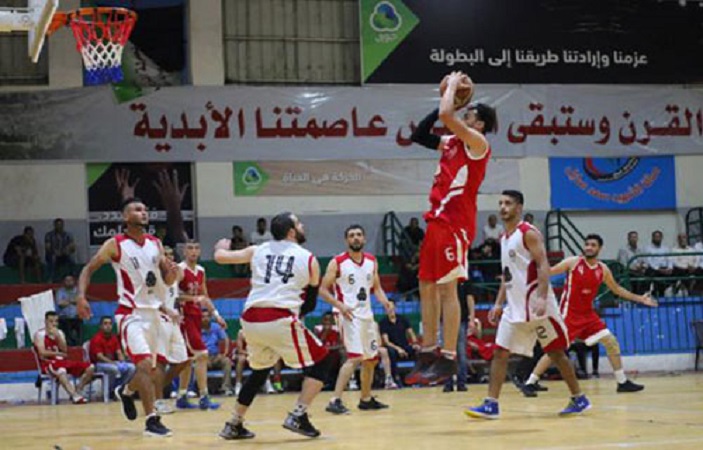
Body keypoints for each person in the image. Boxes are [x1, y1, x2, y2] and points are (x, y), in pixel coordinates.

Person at [466, 190, 591, 419]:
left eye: (508, 203)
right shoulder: (504, 238)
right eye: (500, 203)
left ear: (519, 207)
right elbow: (507, 274)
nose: (503, 207)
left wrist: (542, 297)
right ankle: (491, 404)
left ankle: (579, 397)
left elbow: (543, 265)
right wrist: (498, 303)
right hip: (513, 307)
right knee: (500, 352)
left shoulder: (529, 233)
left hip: (536, 305)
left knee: (556, 353)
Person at [408, 71, 497, 385]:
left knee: (447, 289)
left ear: (480, 124)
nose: (464, 115)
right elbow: (419, 135)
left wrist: (449, 92)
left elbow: (447, 115)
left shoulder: (478, 144)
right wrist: (444, 104)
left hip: (456, 224)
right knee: (426, 286)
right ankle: (427, 352)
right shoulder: (451, 142)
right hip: (436, 220)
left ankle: (448, 357)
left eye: (469, 114)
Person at [213, 212, 335, 440]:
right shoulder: (308, 258)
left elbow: (220, 257)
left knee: (260, 371)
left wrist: (221, 246)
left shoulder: (258, 249)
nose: (302, 226)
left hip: (250, 319)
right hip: (280, 317)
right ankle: (298, 415)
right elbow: (310, 302)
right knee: (323, 361)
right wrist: (294, 320)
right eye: (299, 223)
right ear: (291, 231)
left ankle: (234, 423)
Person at [77, 197, 180, 437]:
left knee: (150, 369)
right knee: (143, 365)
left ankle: (126, 390)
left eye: (145, 209)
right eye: (137, 209)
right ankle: (152, 420)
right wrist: (81, 297)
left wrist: (172, 274)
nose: (144, 213)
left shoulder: (155, 243)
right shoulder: (115, 244)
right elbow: (88, 269)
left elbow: (166, 280)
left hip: (154, 313)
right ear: (125, 217)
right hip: (130, 314)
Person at [521, 234, 658, 396]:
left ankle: (622, 382)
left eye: (593, 245)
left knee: (611, 342)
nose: (588, 248)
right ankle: (530, 382)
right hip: (569, 315)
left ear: (599, 248)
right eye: (587, 244)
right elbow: (548, 272)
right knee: (555, 349)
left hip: (588, 316)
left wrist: (640, 299)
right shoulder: (573, 262)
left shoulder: (603, 269)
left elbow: (617, 289)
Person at [320, 224, 396, 415]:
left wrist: (386, 303)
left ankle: (366, 399)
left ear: (364, 238)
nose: (356, 238)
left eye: (359, 235)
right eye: (352, 235)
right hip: (347, 314)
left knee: (371, 360)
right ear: (346, 240)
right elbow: (322, 289)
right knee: (354, 357)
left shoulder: (371, 261)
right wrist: (339, 305)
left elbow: (376, 287)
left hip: (366, 315)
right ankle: (335, 400)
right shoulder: (337, 262)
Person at [175, 240, 226, 410]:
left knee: (188, 358)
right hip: (184, 317)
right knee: (202, 354)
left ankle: (182, 396)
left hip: (196, 316)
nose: (194, 251)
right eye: (190, 248)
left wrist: (216, 315)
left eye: (196, 248)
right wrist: (194, 299)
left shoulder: (201, 271)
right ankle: (204, 396)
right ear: (184, 251)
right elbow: (173, 296)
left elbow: (205, 296)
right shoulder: (179, 270)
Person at [153, 245, 190, 415]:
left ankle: (152, 389)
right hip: (159, 319)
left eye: (171, 255)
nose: (169, 258)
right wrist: (167, 310)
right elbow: (149, 300)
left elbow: (175, 295)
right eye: (165, 255)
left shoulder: (175, 273)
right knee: (161, 362)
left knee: (183, 361)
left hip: (173, 321)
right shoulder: (154, 275)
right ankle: (158, 401)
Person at [33, 311, 94, 404]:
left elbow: (64, 350)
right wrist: (58, 353)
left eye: (56, 321)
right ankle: (75, 396)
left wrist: (58, 337)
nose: (54, 324)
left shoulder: (60, 333)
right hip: (48, 363)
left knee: (90, 367)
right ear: (45, 322)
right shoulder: (39, 334)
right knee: (61, 370)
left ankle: (78, 389)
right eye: (51, 321)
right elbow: (42, 353)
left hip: (62, 361)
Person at [89, 316, 136, 394]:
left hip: (113, 363)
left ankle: (118, 389)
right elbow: (100, 357)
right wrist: (113, 363)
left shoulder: (114, 338)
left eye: (110, 324)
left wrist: (122, 361)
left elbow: (119, 352)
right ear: (100, 326)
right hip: (98, 364)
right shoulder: (96, 339)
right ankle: (109, 390)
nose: (108, 326)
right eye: (105, 324)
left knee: (131, 368)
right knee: (114, 369)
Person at [444, 280, 476, 392]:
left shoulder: (465, 281)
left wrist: (472, 318)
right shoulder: (445, 279)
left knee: (461, 352)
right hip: (445, 320)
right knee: (447, 352)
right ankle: (448, 382)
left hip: (461, 319)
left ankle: (461, 382)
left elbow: (470, 299)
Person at [379, 311, 420, 385]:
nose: (390, 310)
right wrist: (398, 349)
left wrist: (415, 343)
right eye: (388, 308)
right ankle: (395, 377)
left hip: (404, 345)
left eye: (392, 308)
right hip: (393, 347)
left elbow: (411, 333)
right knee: (391, 352)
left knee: (418, 350)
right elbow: (386, 342)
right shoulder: (383, 322)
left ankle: (418, 375)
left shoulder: (403, 319)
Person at [201, 308, 234, 395]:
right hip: (203, 357)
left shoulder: (216, 327)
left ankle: (226, 388)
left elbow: (226, 339)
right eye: (203, 317)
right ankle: (203, 390)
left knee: (227, 361)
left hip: (215, 356)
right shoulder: (197, 328)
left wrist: (224, 353)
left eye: (207, 316)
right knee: (199, 365)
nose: (205, 319)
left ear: (210, 317)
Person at [55, 275, 82, 346]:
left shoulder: (78, 291)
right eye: (67, 280)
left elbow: (79, 301)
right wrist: (72, 301)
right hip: (64, 318)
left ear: (74, 281)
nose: (69, 282)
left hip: (76, 317)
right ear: (64, 282)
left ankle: (78, 345)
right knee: (66, 333)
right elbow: (60, 303)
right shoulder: (60, 291)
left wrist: (66, 301)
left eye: (70, 280)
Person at [645, 230, 674, 296]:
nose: (657, 238)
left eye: (659, 237)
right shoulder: (648, 248)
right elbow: (649, 262)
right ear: (652, 238)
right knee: (650, 272)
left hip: (665, 269)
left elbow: (670, 259)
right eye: (656, 237)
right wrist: (659, 269)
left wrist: (670, 268)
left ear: (661, 238)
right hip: (654, 269)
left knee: (677, 272)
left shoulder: (665, 248)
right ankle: (653, 294)